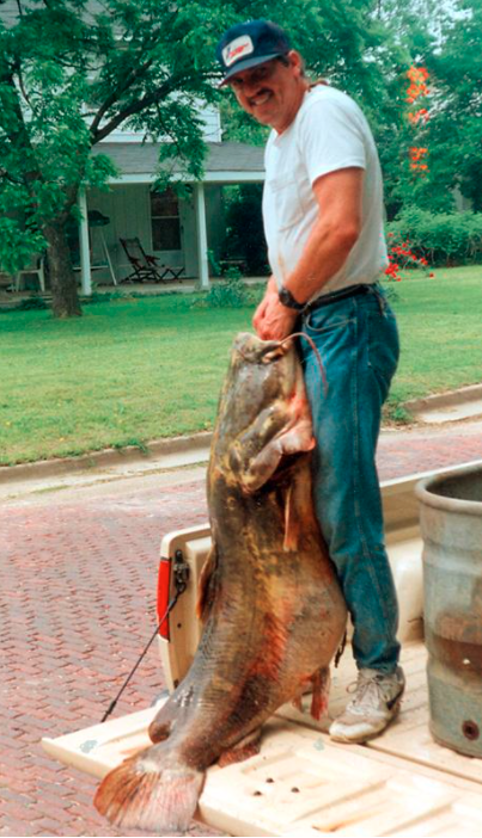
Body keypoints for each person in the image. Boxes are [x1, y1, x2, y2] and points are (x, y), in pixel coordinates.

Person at [215, 19, 405, 743]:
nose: (252, 91)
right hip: (315, 324)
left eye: (263, 73)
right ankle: (314, 661)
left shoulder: (323, 112)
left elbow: (340, 226)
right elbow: (299, 235)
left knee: (341, 502)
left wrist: (291, 298)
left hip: (345, 324)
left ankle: (381, 672)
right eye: (238, 84)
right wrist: (278, 297)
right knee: (299, 500)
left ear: (295, 64)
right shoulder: (280, 135)